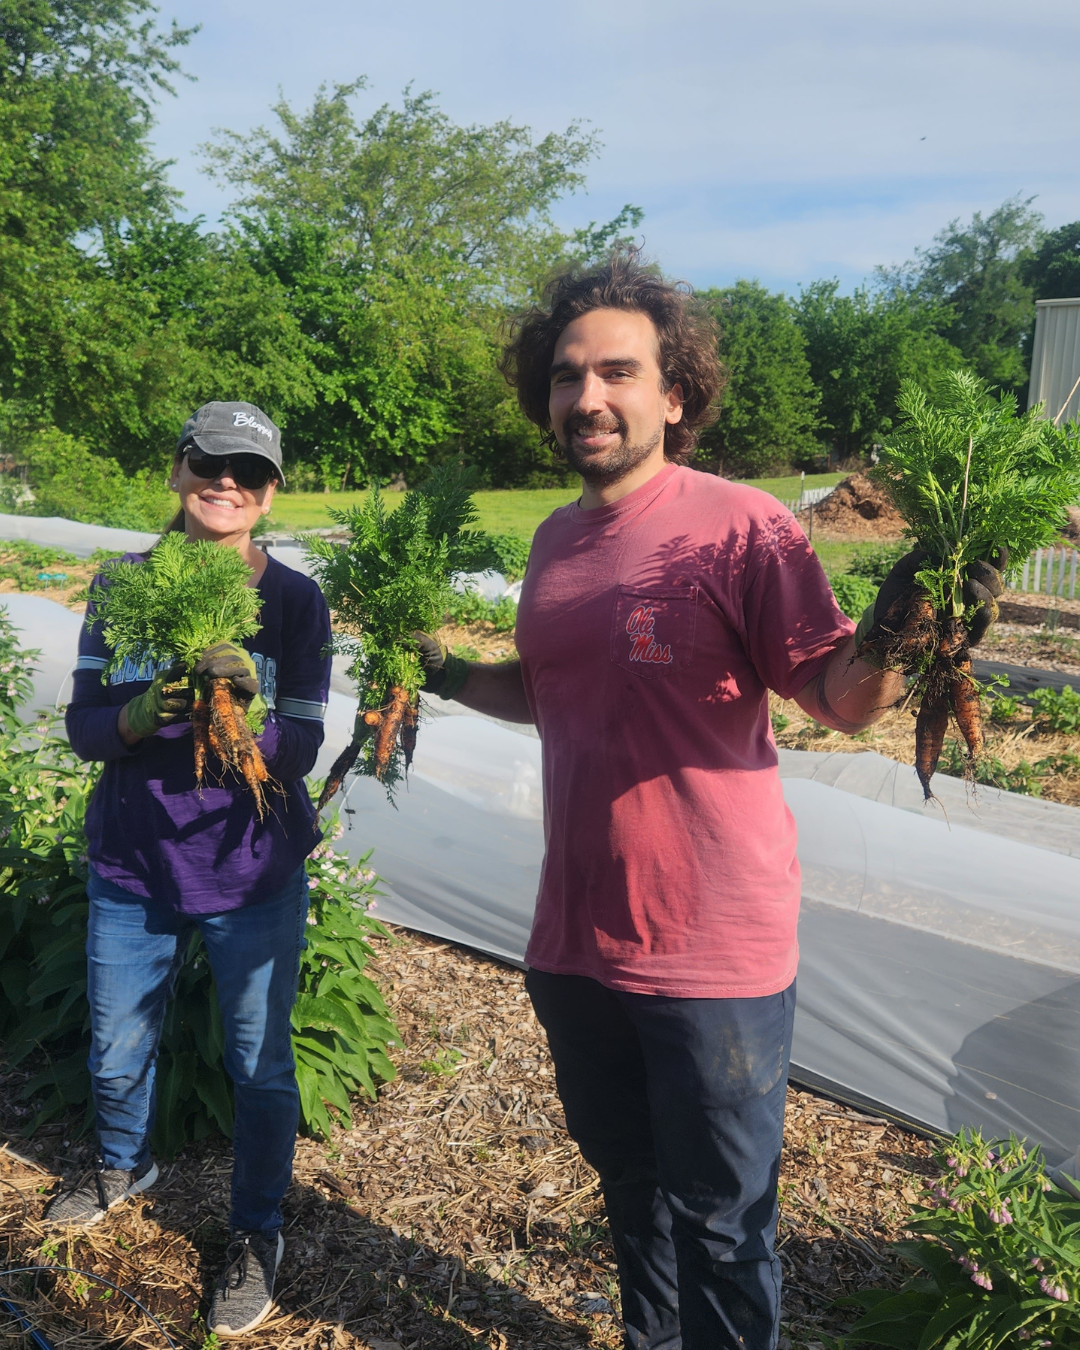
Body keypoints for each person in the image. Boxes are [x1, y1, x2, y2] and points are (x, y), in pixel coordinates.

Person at [414, 255, 1002, 1350]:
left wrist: (905, 623)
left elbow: (837, 700)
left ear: (674, 394)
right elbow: (553, 697)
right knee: (628, 1189)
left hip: (708, 948)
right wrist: (445, 674)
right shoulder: (551, 543)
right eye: (565, 376)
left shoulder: (742, 527)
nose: (587, 397)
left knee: (725, 1223)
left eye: (618, 373)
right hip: (574, 936)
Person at [45, 402, 331, 1340]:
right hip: (133, 860)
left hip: (251, 871)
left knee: (258, 1063)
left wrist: (245, 712)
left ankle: (255, 1230)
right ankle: (125, 1164)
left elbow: (304, 744)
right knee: (116, 1044)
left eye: (248, 472)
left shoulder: (295, 603)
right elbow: (86, 729)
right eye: (208, 463)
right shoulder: (122, 586)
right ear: (177, 471)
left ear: (271, 493)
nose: (225, 483)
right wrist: (148, 711)